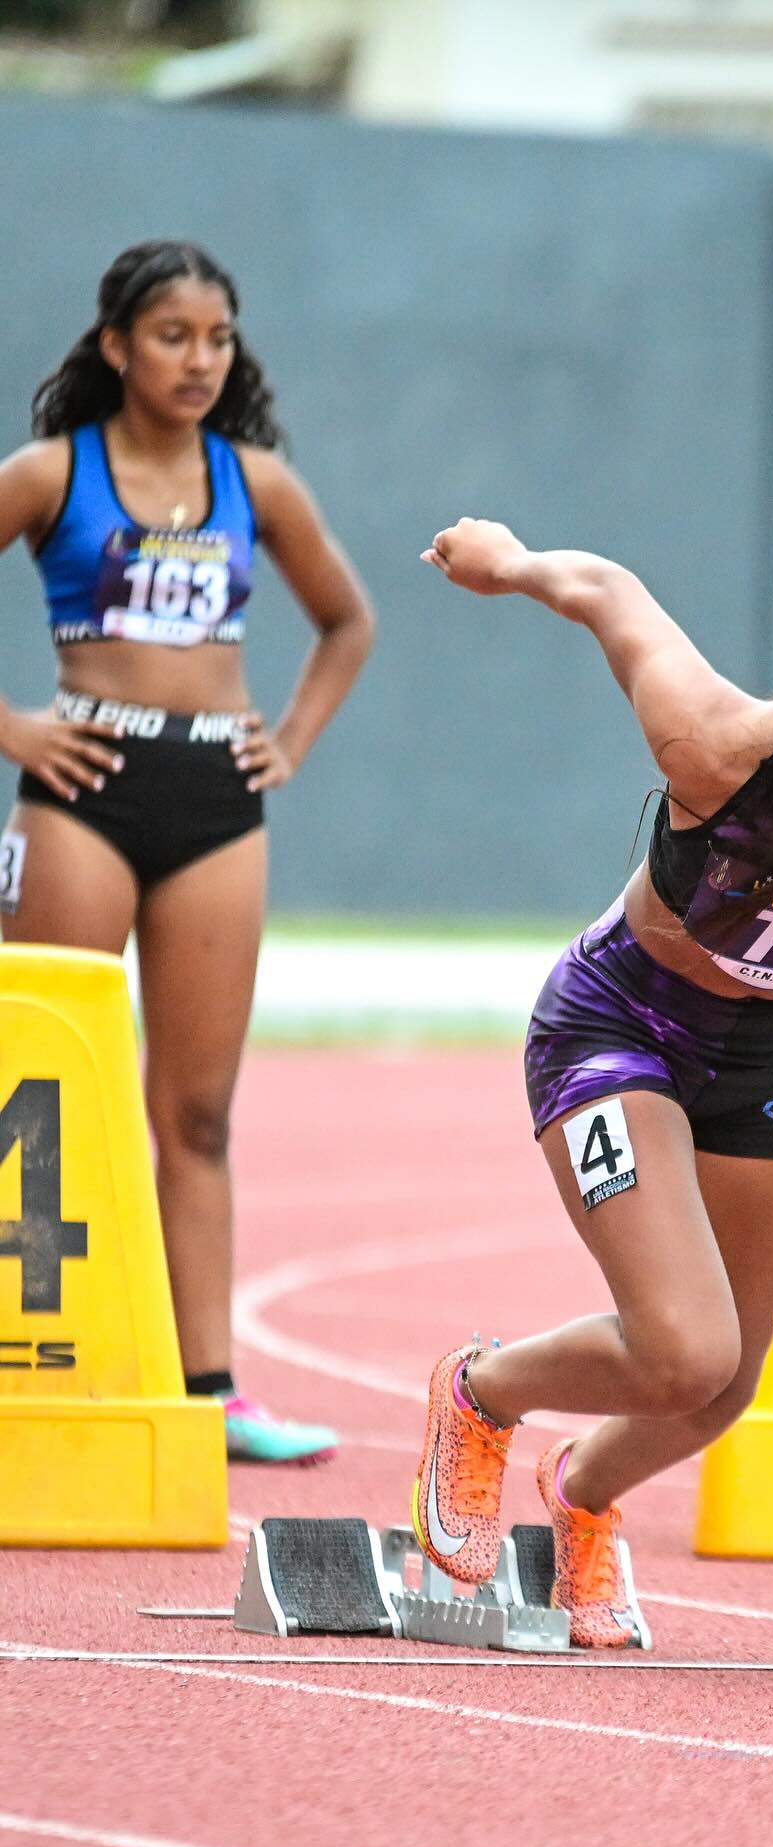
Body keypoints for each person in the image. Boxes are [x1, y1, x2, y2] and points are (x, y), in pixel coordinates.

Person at [412, 515, 773, 1647]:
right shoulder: (715, 745)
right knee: (684, 1344)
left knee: (725, 1385)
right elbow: (607, 581)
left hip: (764, 1062)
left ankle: (582, 1497)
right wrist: (511, 565)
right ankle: (481, 1392)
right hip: (615, 1028)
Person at [0, 240, 374, 1463]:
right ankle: (32, 1355)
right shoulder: (51, 473)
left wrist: (294, 743)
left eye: (218, 339)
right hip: (81, 793)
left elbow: (346, 619)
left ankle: (210, 1389)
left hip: (215, 797)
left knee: (199, 1114)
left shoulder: (255, 484)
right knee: (38, 1100)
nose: (199, 360)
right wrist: (16, 730)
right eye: (173, 336)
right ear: (115, 345)